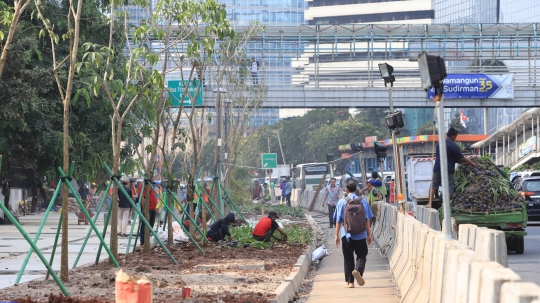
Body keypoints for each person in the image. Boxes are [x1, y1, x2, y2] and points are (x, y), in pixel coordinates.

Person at [334, 182, 373, 288]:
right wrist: (369, 234)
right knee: (361, 255)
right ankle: (358, 271)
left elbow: (338, 220)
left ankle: (350, 282)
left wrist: (336, 235)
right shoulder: (363, 201)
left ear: (346, 190)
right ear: (356, 189)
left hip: (347, 235)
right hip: (360, 234)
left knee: (348, 258)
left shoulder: (342, 202)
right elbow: (367, 220)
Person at [429, 127, 477, 208]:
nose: (455, 138)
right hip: (448, 169)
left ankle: (429, 203)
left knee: (434, 186)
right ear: (453, 136)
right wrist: (472, 163)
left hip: (437, 168)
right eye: (456, 137)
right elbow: (461, 158)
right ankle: (446, 207)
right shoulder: (454, 146)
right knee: (450, 188)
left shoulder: (439, 143)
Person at [138, 180, 158, 246]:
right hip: (147, 208)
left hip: (153, 208)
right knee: (145, 225)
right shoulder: (143, 185)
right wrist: (145, 209)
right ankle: (143, 242)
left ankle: (147, 240)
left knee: (151, 225)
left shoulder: (150, 185)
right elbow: (142, 197)